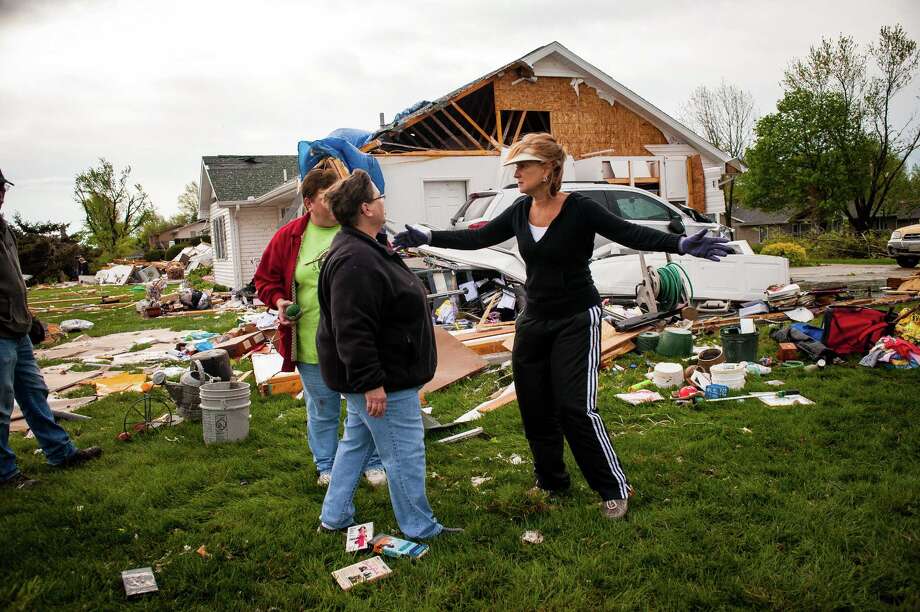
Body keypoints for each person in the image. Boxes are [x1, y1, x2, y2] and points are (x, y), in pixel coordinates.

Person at [394, 133, 731, 519]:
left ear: (548, 169)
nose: (517, 172)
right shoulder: (521, 210)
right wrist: (429, 236)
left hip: (576, 318)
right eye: (516, 166)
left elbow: (629, 232)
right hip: (534, 319)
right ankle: (552, 479)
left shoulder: (580, 209)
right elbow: (481, 237)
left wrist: (681, 245)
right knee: (535, 406)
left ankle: (612, 487)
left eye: (524, 165)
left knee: (575, 408)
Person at [316, 169, 460, 539]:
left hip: (375, 377)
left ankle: (335, 516)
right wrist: (372, 383)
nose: (384, 202)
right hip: (384, 381)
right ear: (365, 208)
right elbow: (352, 329)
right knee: (403, 454)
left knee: (355, 445)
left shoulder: (365, 248)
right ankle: (419, 528)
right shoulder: (355, 260)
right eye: (379, 197)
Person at [255, 167, 385, 488]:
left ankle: (372, 461)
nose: (336, 201)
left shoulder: (358, 229)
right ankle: (326, 465)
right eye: (328, 197)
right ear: (309, 201)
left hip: (355, 341)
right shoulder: (290, 237)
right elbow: (264, 280)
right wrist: (280, 302)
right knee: (323, 407)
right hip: (312, 342)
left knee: (364, 407)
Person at [0, 168, 102, 489]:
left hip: (17, 329)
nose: (0, 194)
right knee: (1, 407)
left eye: (2, 187)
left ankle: (60, 452)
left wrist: (29, 318)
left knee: (34, 394)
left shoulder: (5, 230)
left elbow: (14, 282)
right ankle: (5, 473)